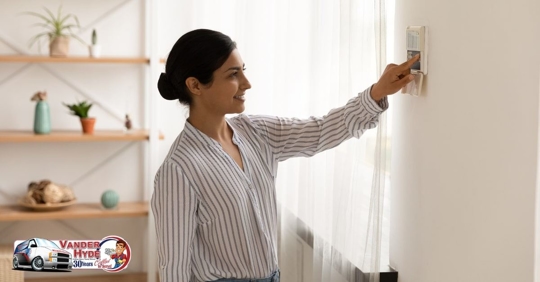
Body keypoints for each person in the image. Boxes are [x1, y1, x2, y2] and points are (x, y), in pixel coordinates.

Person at [151, 29, 419, 282]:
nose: (247, 83)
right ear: (195, 85)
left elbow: (321, 130)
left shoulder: (257, 132)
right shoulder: (178, 169)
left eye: (243, 71)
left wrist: (377, 92)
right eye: (233, 75)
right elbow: (174, 267)